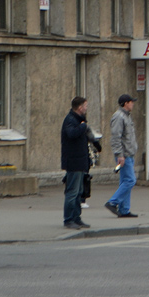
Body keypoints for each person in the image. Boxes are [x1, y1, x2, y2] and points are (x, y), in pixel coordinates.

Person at [61, 96, 93, 230]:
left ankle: (77, 218)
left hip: (80, 161)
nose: (86, 108)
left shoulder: (79, 120)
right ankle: (68, 219)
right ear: (80, 107)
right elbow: (71, 134)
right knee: (72, 192)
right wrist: (83, 127)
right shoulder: (70, 120)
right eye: (85, 106)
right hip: (73, 162)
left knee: (79, 192)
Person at [105, 93, 139, 218]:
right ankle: (113, 202)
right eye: (131, 102)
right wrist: (119, 155)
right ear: (126, 103)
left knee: (125, 181)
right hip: (124, 154)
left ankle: (124, 209)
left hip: (129, 153)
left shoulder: (127, 116)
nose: (133, 104)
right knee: (130, 180)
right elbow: (116, 137)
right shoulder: (119, 117)